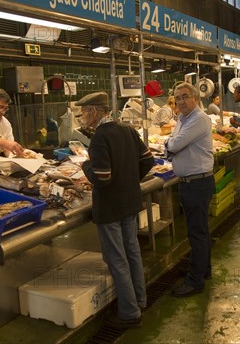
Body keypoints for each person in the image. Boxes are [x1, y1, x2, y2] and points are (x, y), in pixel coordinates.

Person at [78, 91, 154, 329]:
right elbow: (148, 160)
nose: (81, 117)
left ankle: (129, 312)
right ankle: (140, 300)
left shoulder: (100, 137)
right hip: (130, 202)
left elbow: (102, 177)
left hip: (110, 207)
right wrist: (130, 182)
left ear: (94, 112)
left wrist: (85, 165)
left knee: (117, 259)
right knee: (132, 253)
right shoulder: (127, 130)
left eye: (83, 113)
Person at [165, 83, 215, 297]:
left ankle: (195, 281)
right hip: (190, 182)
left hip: (197, 183)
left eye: (185, 97)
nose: (180, 102)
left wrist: (171, 144)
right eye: (177, 98)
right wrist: (171, 143)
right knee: (198, 231)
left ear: (195, 98)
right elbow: (172, 142)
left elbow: (174, 146)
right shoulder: (182, 119)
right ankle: (204, 269)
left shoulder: (199, 119)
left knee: (197, 233)